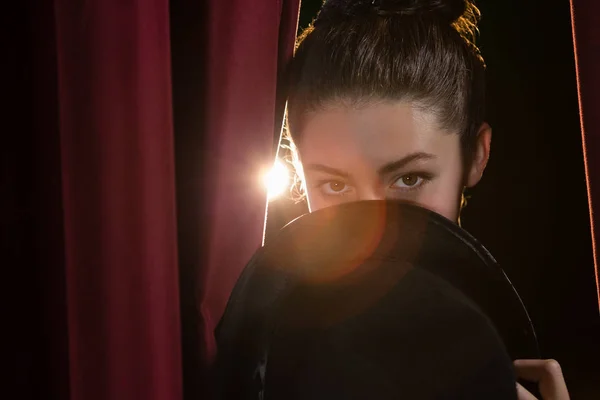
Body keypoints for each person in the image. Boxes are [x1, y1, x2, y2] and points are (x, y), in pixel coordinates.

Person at [283, 0, 570, 398]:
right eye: (335, 186)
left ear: (476, 156)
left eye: (409, 178)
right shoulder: (257, 358)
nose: (374, 231)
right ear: (298, 170)